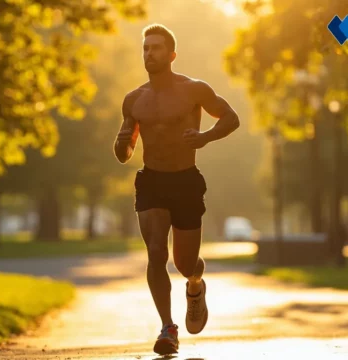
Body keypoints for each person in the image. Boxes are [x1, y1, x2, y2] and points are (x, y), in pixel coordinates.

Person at [113, 24, 240, 355]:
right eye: (145, 48)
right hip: (152, 180)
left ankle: (195, 285)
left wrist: (205, 137)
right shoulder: (134, 100)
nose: (149, 53)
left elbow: (230, 117)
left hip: (185, 180)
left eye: (156, 47)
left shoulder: (193, 90)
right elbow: (125, 153)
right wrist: (121, 144)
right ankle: (168, 327)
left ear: (171, 55)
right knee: (156, 251)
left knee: (186, 264)